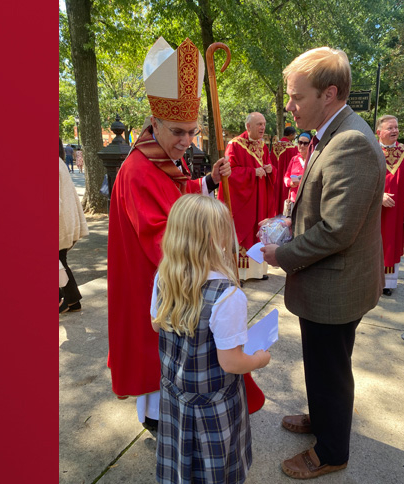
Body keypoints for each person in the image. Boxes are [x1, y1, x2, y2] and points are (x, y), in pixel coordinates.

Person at [107, 37, 265, 432]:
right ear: (154, 123)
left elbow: (178, 196)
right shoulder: (138, 170)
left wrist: (208, 182)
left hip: (172, 287)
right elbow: (162, 237)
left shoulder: (160, 159)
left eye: (193, 132)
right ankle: (161, 423)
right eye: (178, 131)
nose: (186, 142)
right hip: (156, 285)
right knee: (157, 362)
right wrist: (215, 265)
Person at [261, 46, 386, 480]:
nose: (289, 107)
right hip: (330, 278)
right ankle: (323, 416)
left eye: (296, 97)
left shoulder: (350, 142)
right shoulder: (333, 131)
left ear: (329, 94)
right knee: (321, 361)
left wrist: (283, 254)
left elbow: (336, 231)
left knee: (330, 366)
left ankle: (332, 451)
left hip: (337, 284)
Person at [151, 194, 271, 484]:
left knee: (182, 462)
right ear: (217, 239)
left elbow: (157, 326)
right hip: (214, 406)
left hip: (175, 396)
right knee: (215, 468)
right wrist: (259, 358)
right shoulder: (228, 296)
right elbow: (231, 362)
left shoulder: (163, 277)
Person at [218, 112, 276, 281]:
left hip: (260, 198)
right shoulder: (234, 145)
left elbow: (268, 165)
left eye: (264, 124)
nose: (263, 127)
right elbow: (229, 173)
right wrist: (252, 173)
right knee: (242, 231)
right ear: (248, 126)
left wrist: (270, 169)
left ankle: (258, 271)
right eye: (259, 124)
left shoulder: (262, 145)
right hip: (242, 201)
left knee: (258, 231)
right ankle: (239, 274)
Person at [376, 115, 404, 296]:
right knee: (373, 244)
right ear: (379, 132)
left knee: (391, 244)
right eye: (390, 128)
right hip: (373, 210)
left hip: (396, 213)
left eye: (396, 127)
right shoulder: (370, 150)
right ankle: (372, 282)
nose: (395, 131)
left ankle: (387, 284)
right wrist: (378, 195)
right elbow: (361, 179)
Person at [59, 137, 88, 314]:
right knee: (60, 260)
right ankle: (72, 299)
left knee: (59, 262)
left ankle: (65, 299)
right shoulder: (60, 162)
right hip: (65, 220)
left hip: (60, 222)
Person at [282, 131, 311, 216]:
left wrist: (301, 181)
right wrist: (289, 182)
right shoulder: (294, 159)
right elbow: (286, 176)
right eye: (300, 142)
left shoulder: (312, 160)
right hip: (293, 199)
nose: (302, 145)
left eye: (305, 143)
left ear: (310, 144)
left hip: (307, 199)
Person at [272, 126, 299, 214]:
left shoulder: (274, 145)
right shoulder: (292, 147)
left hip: (274, 175)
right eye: (294, 135)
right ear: (291, 135)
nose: (294, 137)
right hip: (285, 176)